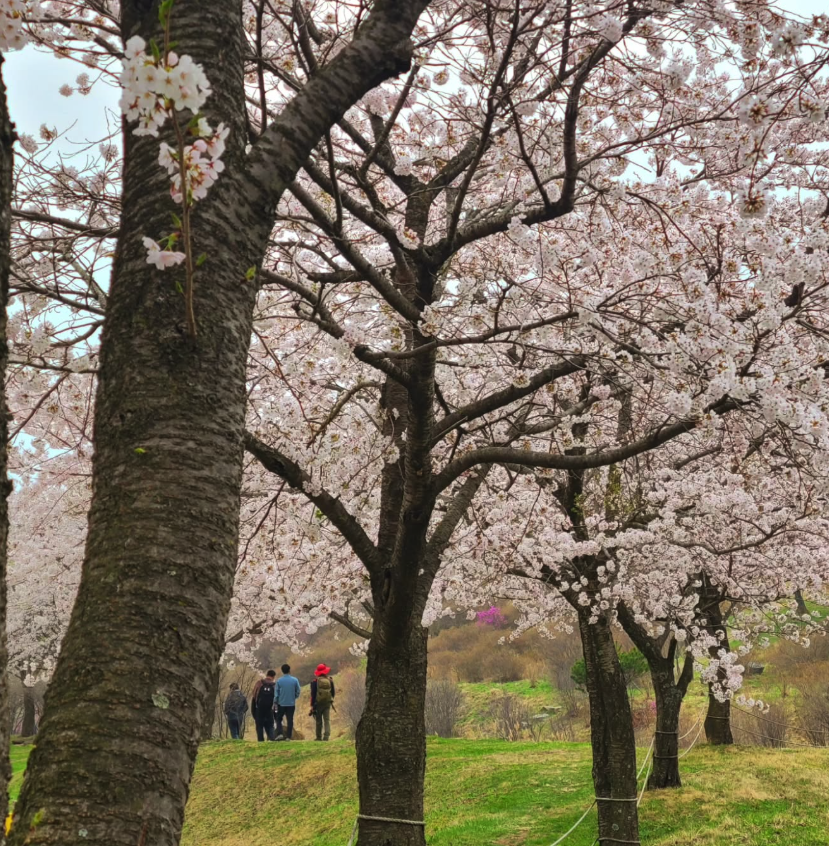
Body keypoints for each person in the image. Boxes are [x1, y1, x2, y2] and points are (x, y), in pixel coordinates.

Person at [275, 663, 301, 741]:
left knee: (278, 719)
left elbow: (276, 693)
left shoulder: (279, 681)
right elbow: (298, 690)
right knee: (290, 720)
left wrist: (276, 701)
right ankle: (288, 737)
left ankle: (280, 733)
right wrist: (294, 697)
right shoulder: (295, 680)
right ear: (289, 670)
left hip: (281, 703)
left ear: (282, 671)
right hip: (291, 703)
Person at [310, 663, 335, 741]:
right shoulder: (330, 680)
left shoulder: (315, 682)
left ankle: (318, 737)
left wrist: (312, 705)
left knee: (318, 720)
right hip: (327, 702)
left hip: (318, 703)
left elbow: (313, 694)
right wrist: (329, 699)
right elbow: (333, 692)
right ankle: (326, 736)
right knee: (327, 719)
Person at [251, 669, 277, 742]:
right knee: (270, 726)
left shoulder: (259, 683)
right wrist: (275, 713)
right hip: (269, 710)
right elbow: (276, 700)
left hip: (259, 710)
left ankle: (260, 741)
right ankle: (272, 740)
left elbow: (254, 696)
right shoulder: (274, 685)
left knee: (259, 727)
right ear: (273, 677)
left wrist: (254, 712)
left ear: (267, 675)